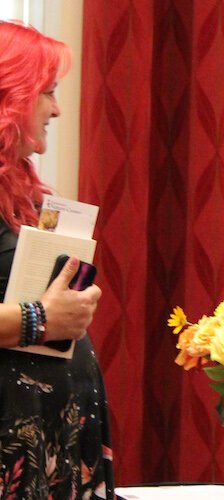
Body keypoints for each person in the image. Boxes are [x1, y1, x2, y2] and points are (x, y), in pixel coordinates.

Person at [0, 20, 114, 499]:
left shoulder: (17, 192)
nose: (57, 108)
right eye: (47, 92)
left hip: (48, 435)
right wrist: (40, 318)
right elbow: (38, 318)